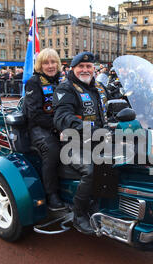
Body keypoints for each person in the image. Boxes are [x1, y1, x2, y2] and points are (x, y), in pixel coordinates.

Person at [53, 51, 108, 234]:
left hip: (98, 140)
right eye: (81, 67)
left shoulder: (98, 88)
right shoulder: (66, 88)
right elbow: (62, 118)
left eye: (88, 66)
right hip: (73, 143)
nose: (85, 69)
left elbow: (109, 112)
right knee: (90, 170)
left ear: (94, 69)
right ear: (73, 69)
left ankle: (101, 205)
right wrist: (87, 129)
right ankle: (79, 214)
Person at [23, 48, 66, 211]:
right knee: (52, 150)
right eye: (46, 62)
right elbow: (34, 114)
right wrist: (57, 127)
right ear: (40, 65)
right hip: (39, 128)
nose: (50, 66)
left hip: (59, 125)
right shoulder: (34, 82)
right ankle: (51, 193)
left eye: (53, 62)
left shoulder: (61, 81)